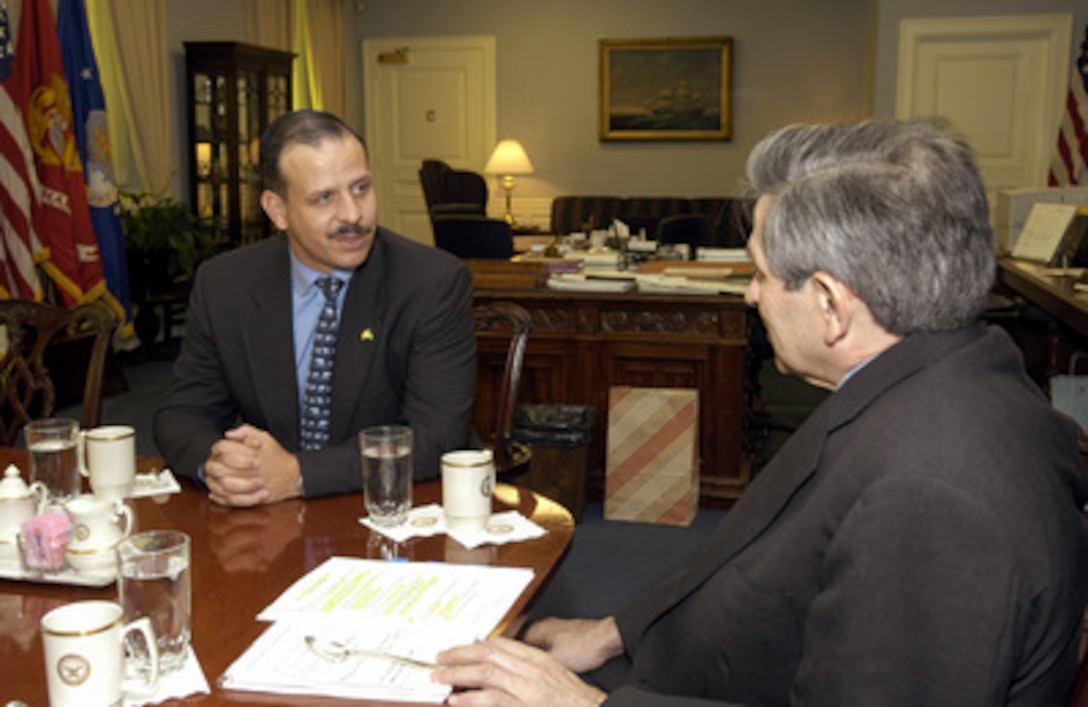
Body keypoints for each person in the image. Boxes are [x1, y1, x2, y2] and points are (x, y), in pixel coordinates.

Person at [431, 118, 1088, 705]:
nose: (749, 295)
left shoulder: (932, 497)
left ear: (831, 302)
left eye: (762, 274)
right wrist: (611, 633)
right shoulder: (950, 371)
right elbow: (770, 562)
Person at [154, 110, 476, 507]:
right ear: (277, 210)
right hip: (267, 521)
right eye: (324, 198)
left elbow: (437, 437)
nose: (353, 215)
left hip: (392, 513)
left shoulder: (430, 283)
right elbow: (182, 414)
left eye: (361, 188)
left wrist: (298, 474)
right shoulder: (225, 284)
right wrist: (220, 463)